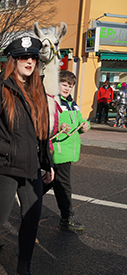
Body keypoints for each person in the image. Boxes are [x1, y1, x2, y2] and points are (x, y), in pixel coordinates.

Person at [0, 36, 54, 275]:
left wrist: (48, 163)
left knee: (31, 219)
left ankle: (23, 272)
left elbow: (42, 131)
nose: (30, 62)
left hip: (32, 167)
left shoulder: (38, 88)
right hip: (6, 166)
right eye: (24, 57)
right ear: (13, 60)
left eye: (33, 57)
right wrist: (5, 147)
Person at [44, 70, 89, 232]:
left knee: (49, 181)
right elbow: (47, 126)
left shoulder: (72, 103)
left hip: (69, 150)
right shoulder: (52, 102)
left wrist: (85, 125)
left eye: (70, 85)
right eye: (64, 84)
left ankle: (29, 204)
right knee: (63, 185)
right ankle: (67, 218)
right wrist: (59, 127)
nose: (67, 88)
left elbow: (80, 121)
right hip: (58, 150)